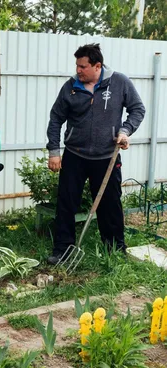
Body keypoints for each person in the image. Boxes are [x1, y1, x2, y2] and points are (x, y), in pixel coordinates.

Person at [46, 43, 145, 265]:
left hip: (107, 157)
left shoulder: (119, 82)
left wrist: (125, 131)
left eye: (82, 66)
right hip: (75, 155)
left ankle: (115, 249)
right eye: (77, 66)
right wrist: (54, 151)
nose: (78, 70)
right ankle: (62, 250)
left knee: (110, 204)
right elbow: (56, 118)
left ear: (97, 66)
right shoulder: (70, 87)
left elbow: (138, 109)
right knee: (66, 203)